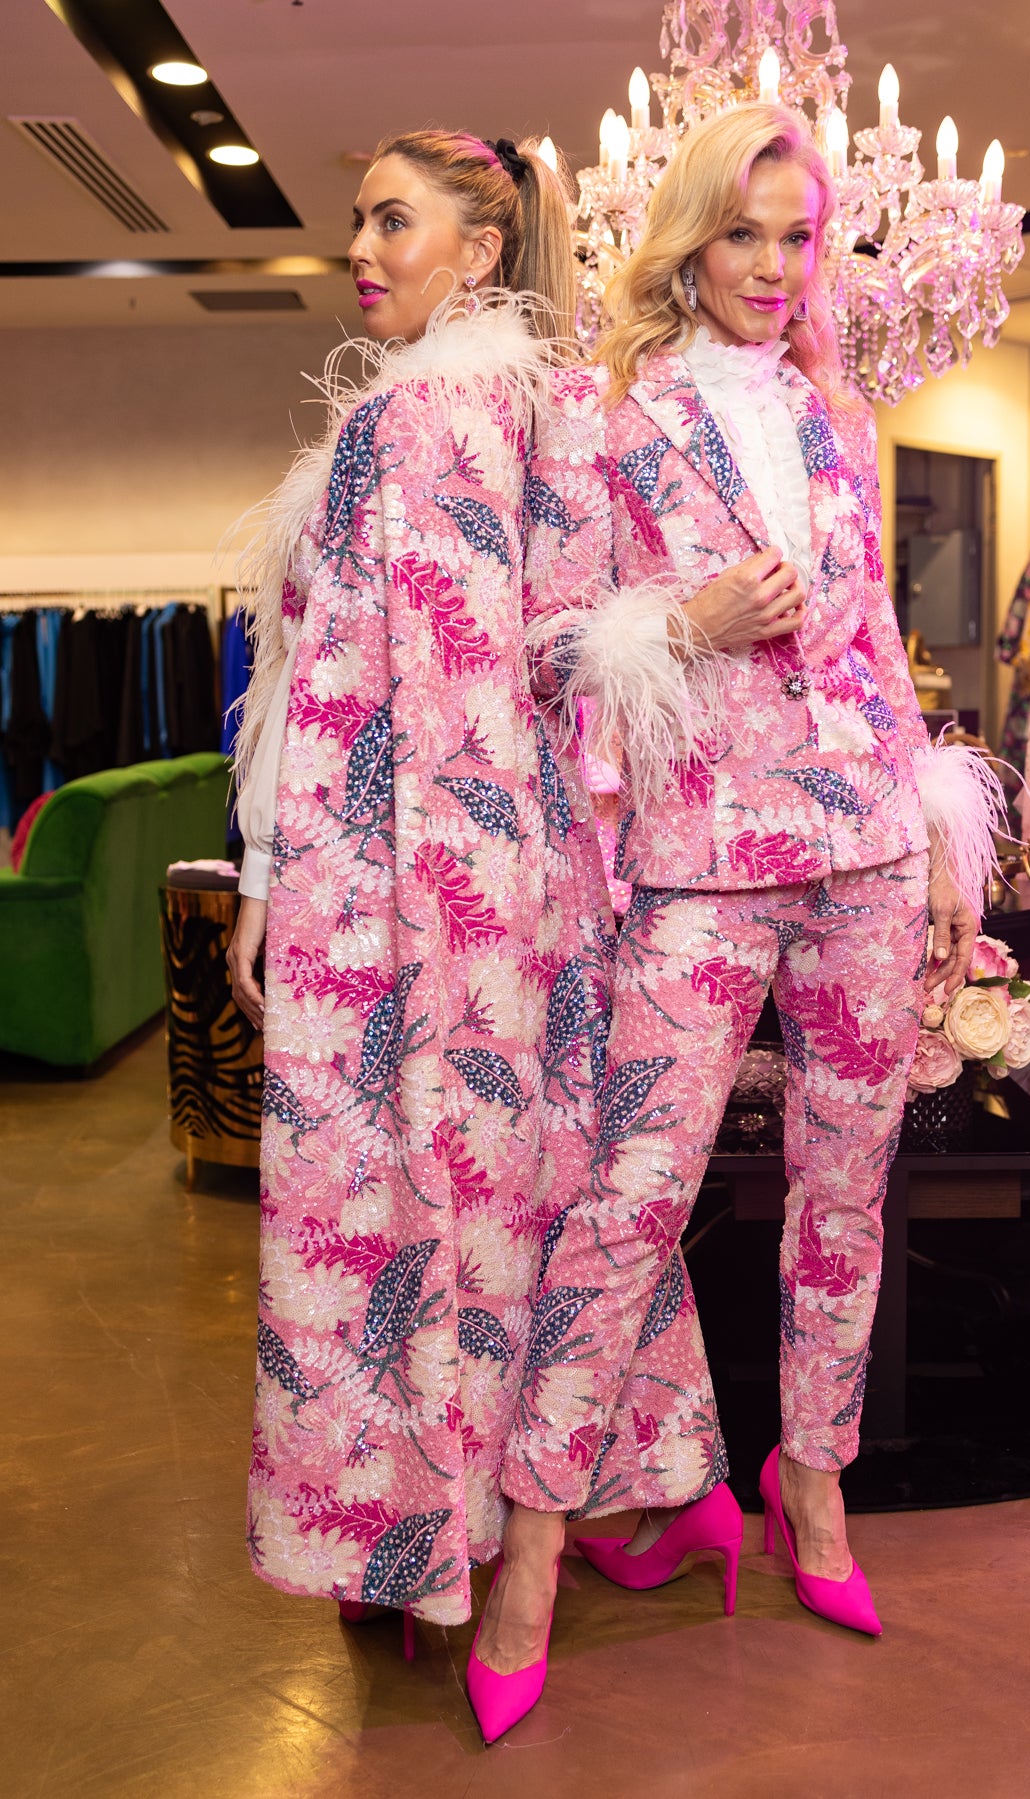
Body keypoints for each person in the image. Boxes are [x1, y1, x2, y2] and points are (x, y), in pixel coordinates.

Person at [499, 103, 1003, 1663]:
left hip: (858, 844)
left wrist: (933, 829)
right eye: (746, 233)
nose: (777, 267)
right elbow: (554, 643)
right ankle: (531, 1540)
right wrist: (688, 625)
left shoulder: (840, 419)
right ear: (691, 238)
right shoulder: (607, 416)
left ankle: (816, 1484)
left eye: (801, 236)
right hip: (704, 862)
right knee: (630, 1200)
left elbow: (867, 653)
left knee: (845, 1192)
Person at [226, 130, 619, 1744]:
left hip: (397, 895)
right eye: (357, 226)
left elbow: (362, 706)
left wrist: (282, 880)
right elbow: (547, 671)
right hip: (503, 886)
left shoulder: (418, 416)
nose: (361, 253)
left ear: (481, 243)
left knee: (399, 1207)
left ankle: (424, 1550)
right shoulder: (528, 414)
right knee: (490, 1206)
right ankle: (456, 1545)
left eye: (395, 221)